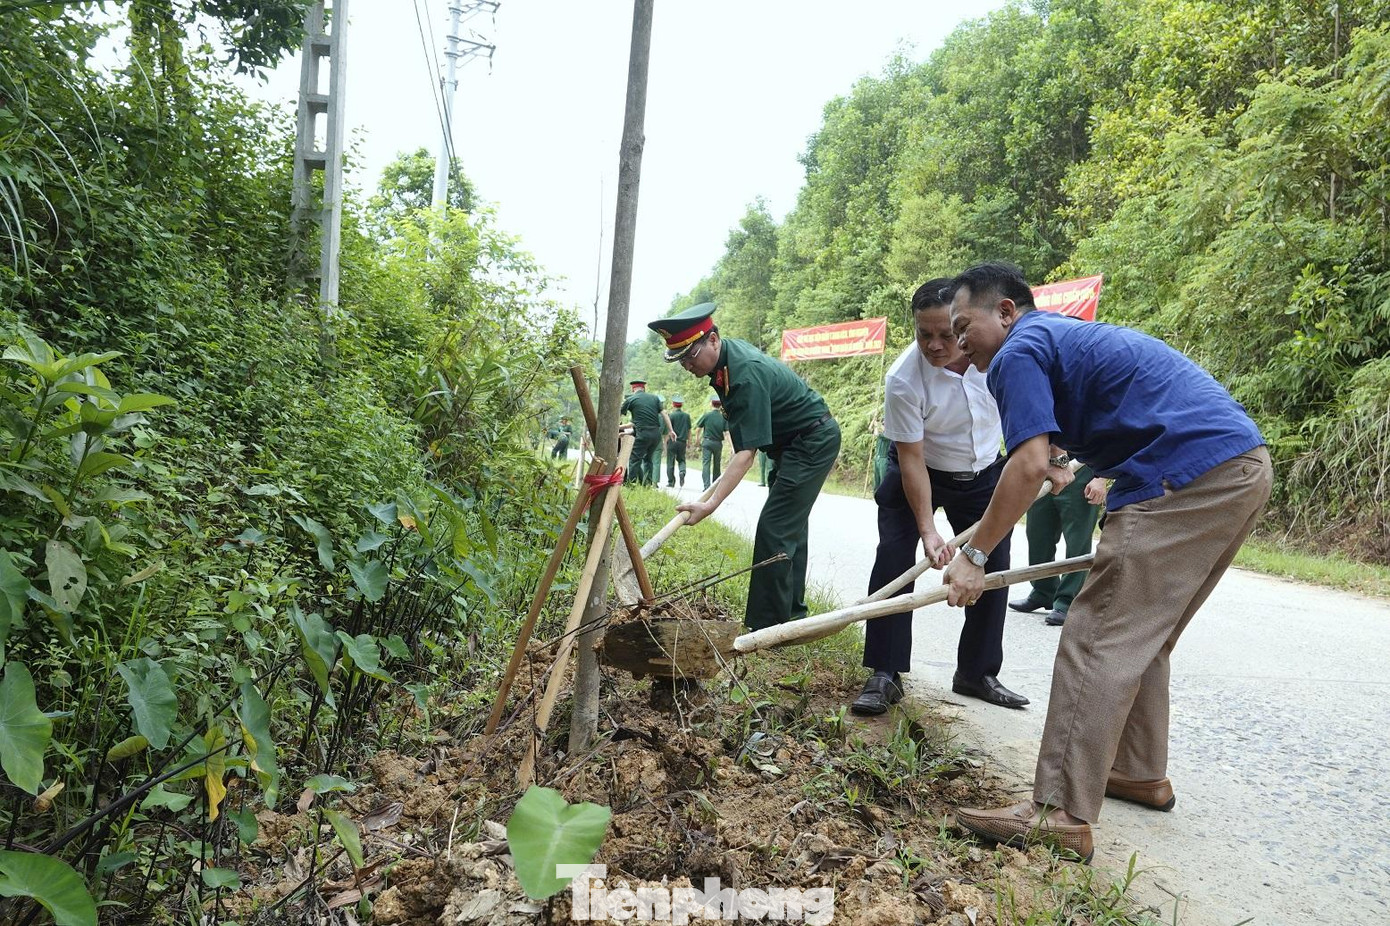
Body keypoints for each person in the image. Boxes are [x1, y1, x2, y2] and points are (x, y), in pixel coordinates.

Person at [942, 262, 1271, 862]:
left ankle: (1060, 811)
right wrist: (1065, 455)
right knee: (1141, 634)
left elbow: (1026, 465)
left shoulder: (1019, 353)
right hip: (1239, 467)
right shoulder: (1055, 341)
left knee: (1096, 636)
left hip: (1189, 474)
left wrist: (974, 554)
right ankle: (1136, 771)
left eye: (965, 326)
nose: (960, 342)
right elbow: (1057, 449)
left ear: (1007, 312)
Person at [852, 279, 1026, 716]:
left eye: (946, 334)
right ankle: (885, 672)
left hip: (983, 471)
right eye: (923, 334)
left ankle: (976, 672)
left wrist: (1057, 460)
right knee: (894, 558)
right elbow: (911, 459)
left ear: (962, 324)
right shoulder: (903, 379)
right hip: (920, 470)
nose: (934, 345)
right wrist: (928, 529)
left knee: (992, 563)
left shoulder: (998, 357)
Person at [649, 303, 841, 630]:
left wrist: (709, 504)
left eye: (690, 355)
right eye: (680, 359)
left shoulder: (744, 376)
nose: (686, 365)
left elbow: (745, 455)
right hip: (792, 443)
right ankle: (791, 616)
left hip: (811, 441)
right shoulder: (726, 364)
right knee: (789, 527)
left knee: (775, 527)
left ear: (712, 340)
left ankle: (769, 627)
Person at [1009, 471, 1107, 625]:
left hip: (1082, 473)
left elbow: (1112, 446)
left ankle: (1067, 601)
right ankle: (1043, 591)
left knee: (1077, 543)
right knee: (1037, 535)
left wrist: (1100, 478)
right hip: (1046, 472)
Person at [620, 380, 674, 486]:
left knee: (634, 459)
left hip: (642, 434)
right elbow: (664, 414)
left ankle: (631, 484)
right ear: (644, 388)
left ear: (632, 389)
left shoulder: (631, 399)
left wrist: (616, 428)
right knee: (648, 459)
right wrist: (671, 430)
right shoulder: (655, 398)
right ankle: (647, 484)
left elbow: (619, 415)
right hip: (655, 435)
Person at [696, 398, 728, 490]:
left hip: (707, 442)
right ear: (720, 405)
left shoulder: (707, 415)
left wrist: (697, 440)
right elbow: (727, 433)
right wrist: (732, 446)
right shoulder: (723, 417)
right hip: (718, 443)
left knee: (706, 463)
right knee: (717, 465)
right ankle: (714, 487)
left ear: (711, 404)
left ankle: (706, 486)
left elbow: (698, 428)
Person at [666, 397, 692, 487]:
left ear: (673, 404)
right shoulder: (686, 416)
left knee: (670, 461)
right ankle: (682, 471)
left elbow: (669, 431)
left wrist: (665, 441)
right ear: (682, 405)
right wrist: (689, 442)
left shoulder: (671, 416)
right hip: (682, 442)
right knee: (681, 459)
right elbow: (689, 430)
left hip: (672, 441)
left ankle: (671, 482)